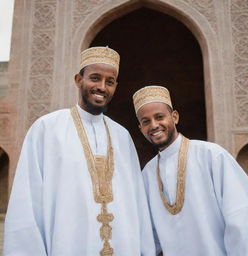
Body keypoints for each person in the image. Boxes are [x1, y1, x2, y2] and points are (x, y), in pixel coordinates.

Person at [4, 47, 155, 256]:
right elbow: (27, 200)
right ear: (78, 79)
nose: (102, 87)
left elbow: (137, 201)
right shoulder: (47, 129)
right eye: (95, 78)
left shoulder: (122, 136)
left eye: (109, 82)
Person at [132, 85, 248, 256]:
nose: (154, 125)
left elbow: (241, 216)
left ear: (174, 117)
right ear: (141, 129)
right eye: (146, 121)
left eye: (159, 117)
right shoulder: (147, 174)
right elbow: (148, 236)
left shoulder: (211, 155)